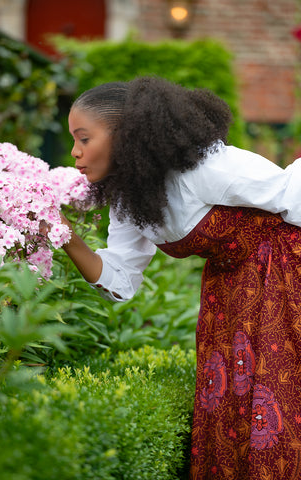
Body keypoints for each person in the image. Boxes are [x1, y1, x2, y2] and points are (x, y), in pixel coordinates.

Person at [62, 76, 301, 479]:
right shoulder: (131, 200)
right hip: (229, 295)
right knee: (233, 407)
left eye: (84, 138)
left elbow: (290, 195)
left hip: (284, 277)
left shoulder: (205, 167)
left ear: (124, 135)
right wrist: (60, 232)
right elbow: (119, 281)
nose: (75, 152)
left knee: (279, 401)